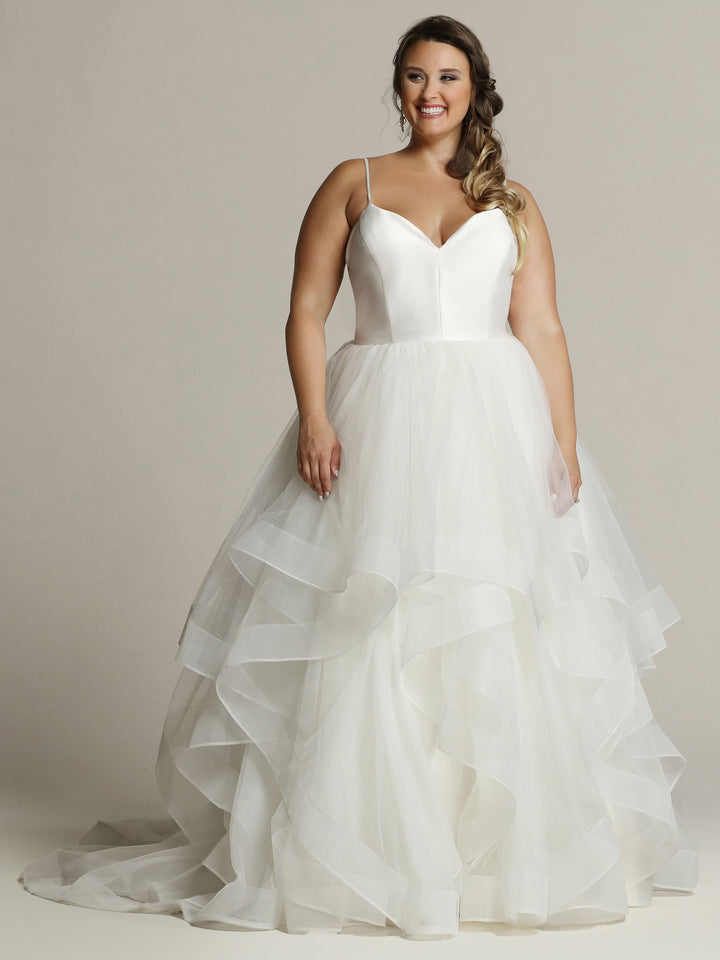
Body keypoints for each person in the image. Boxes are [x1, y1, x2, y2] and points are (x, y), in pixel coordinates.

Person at [18, 14, 698, 938]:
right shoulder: (355, 182)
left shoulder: (516, 201)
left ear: (475, 87)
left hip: (496, 426)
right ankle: (363, 849)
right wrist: (317, 416)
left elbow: (541, 328)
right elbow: (305, 309)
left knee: (492, 618)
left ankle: (490, 860)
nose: (431, 93)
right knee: (370, 618)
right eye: (416, 76)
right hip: (381, 416)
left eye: (449, 77)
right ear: (398, 86)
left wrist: (564, 442)